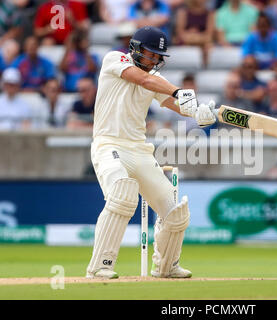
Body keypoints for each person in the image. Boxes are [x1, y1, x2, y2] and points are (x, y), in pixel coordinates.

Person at [86, 26, 216, 279]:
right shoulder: (115, 59)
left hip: (140, 151)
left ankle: (167, 267)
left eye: (158, 56)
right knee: (122, 194)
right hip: (109, 145)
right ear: (135, 49)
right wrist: (178, 90)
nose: (154, 60)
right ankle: (100, 266)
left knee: (174, 211)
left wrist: (198, 112)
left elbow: (171, 103)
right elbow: (145, 80)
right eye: (150, 54)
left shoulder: (154, 79)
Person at [174, 0, 215, 67]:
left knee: (208, 46)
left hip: (202, 42)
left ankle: (204, 68)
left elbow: (209, 34)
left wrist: (193, 36)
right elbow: (180, 33)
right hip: (187, 41)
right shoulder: (183, 12)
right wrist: (193, 36)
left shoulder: (210, 13)